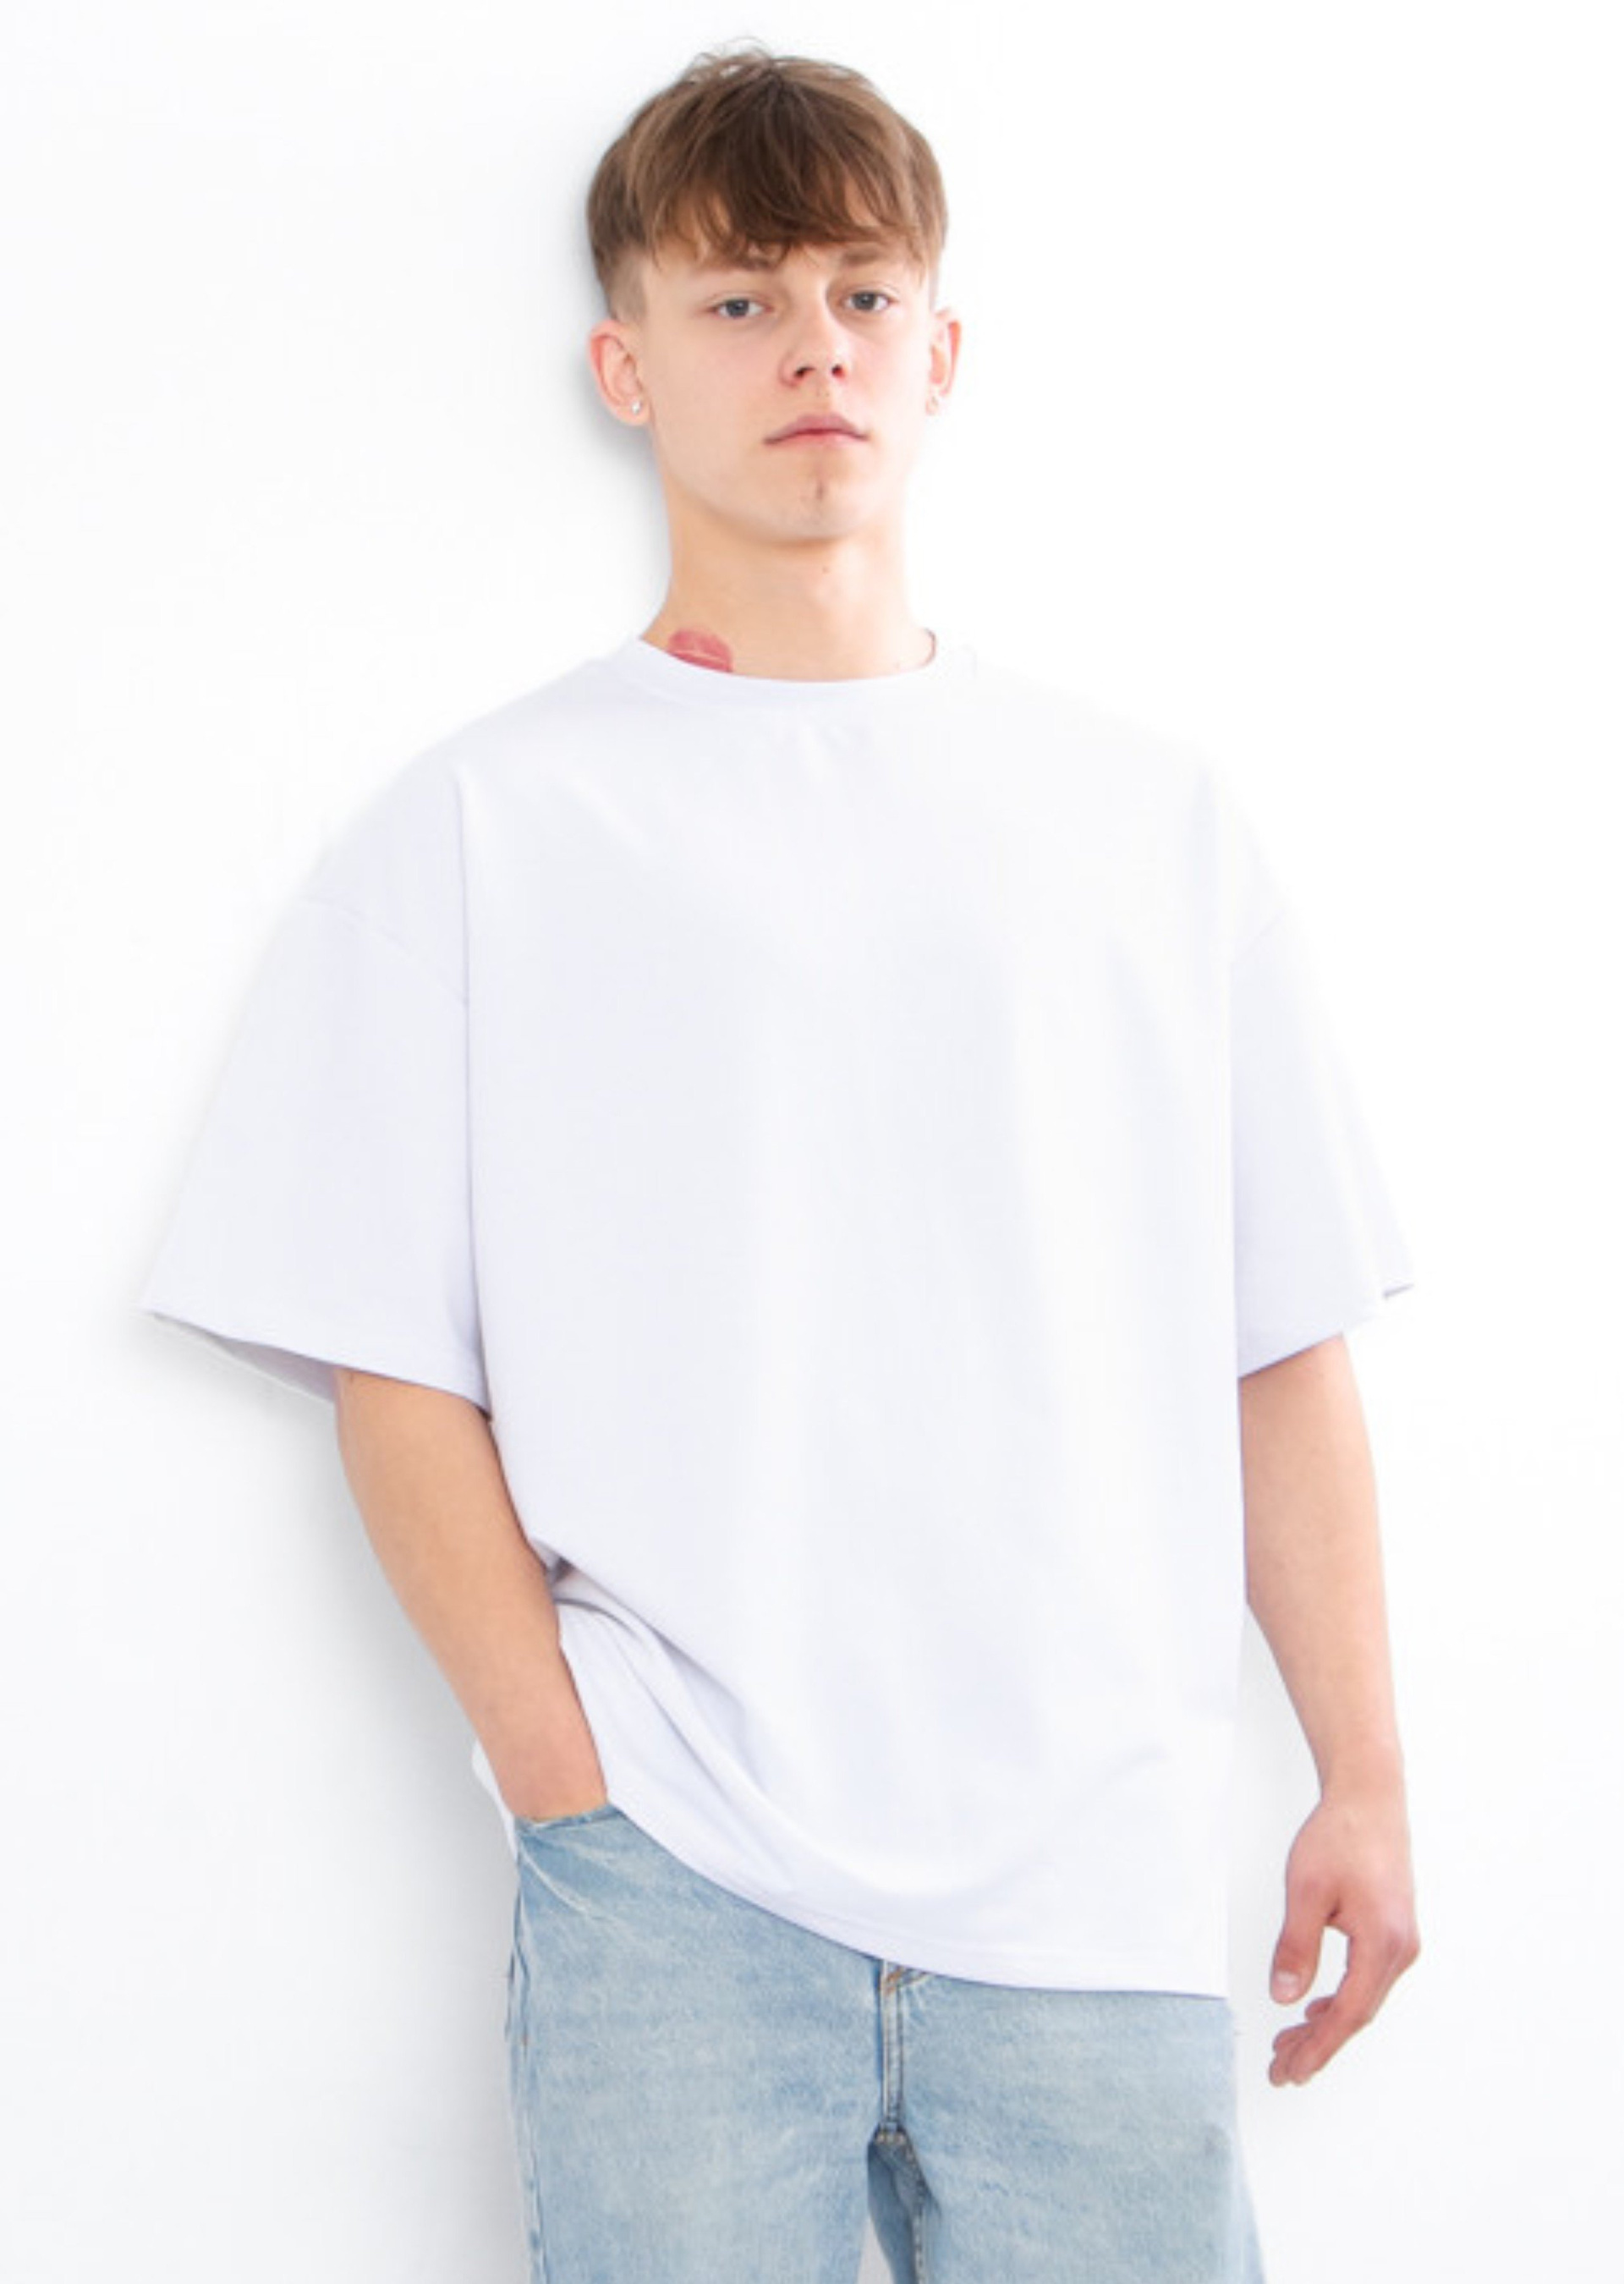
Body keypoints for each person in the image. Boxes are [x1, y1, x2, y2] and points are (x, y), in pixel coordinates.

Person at [138, 41, 1420, 2284]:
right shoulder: (484, 825)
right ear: (626, 366)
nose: (812, 345)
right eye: (738, 301)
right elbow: (387, 1363)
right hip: (676, 1885)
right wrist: (571, 1783)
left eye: (860, 292)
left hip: (1091, 1882)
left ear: (943, 352)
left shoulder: (1147, 822)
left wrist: (1366, 1771)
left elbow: (1276, 1332)